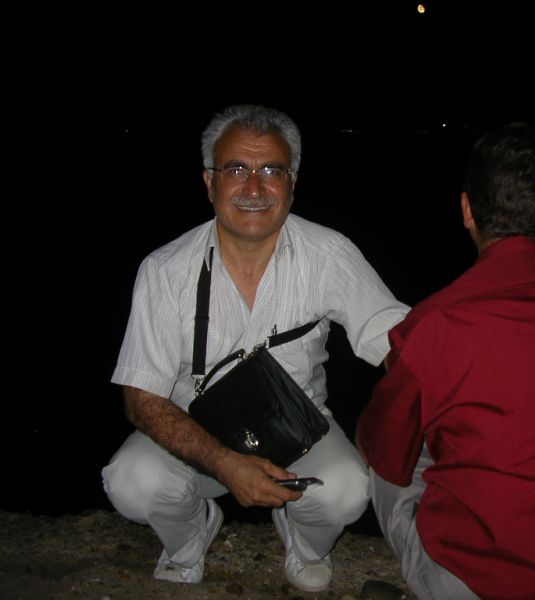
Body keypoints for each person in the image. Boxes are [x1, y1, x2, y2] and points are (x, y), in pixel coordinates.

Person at [102, 104, 409, 592]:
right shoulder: (165, 270)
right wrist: (226, 464)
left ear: (292, 182)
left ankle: (303, 541)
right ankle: (190, 536)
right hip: (194, 427)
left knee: (347, 489)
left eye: (271, 170)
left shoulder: (329, 254)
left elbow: (395, 338)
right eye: (236, 169)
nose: (253, 188)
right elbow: (141, 399)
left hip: (297, 425)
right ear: (209, 181)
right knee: (130, 480)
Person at [357, 123, 535, 600]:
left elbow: (387, 452)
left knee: (385, 448)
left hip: (476, 583)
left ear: (466, 209)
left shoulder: (435, 322)